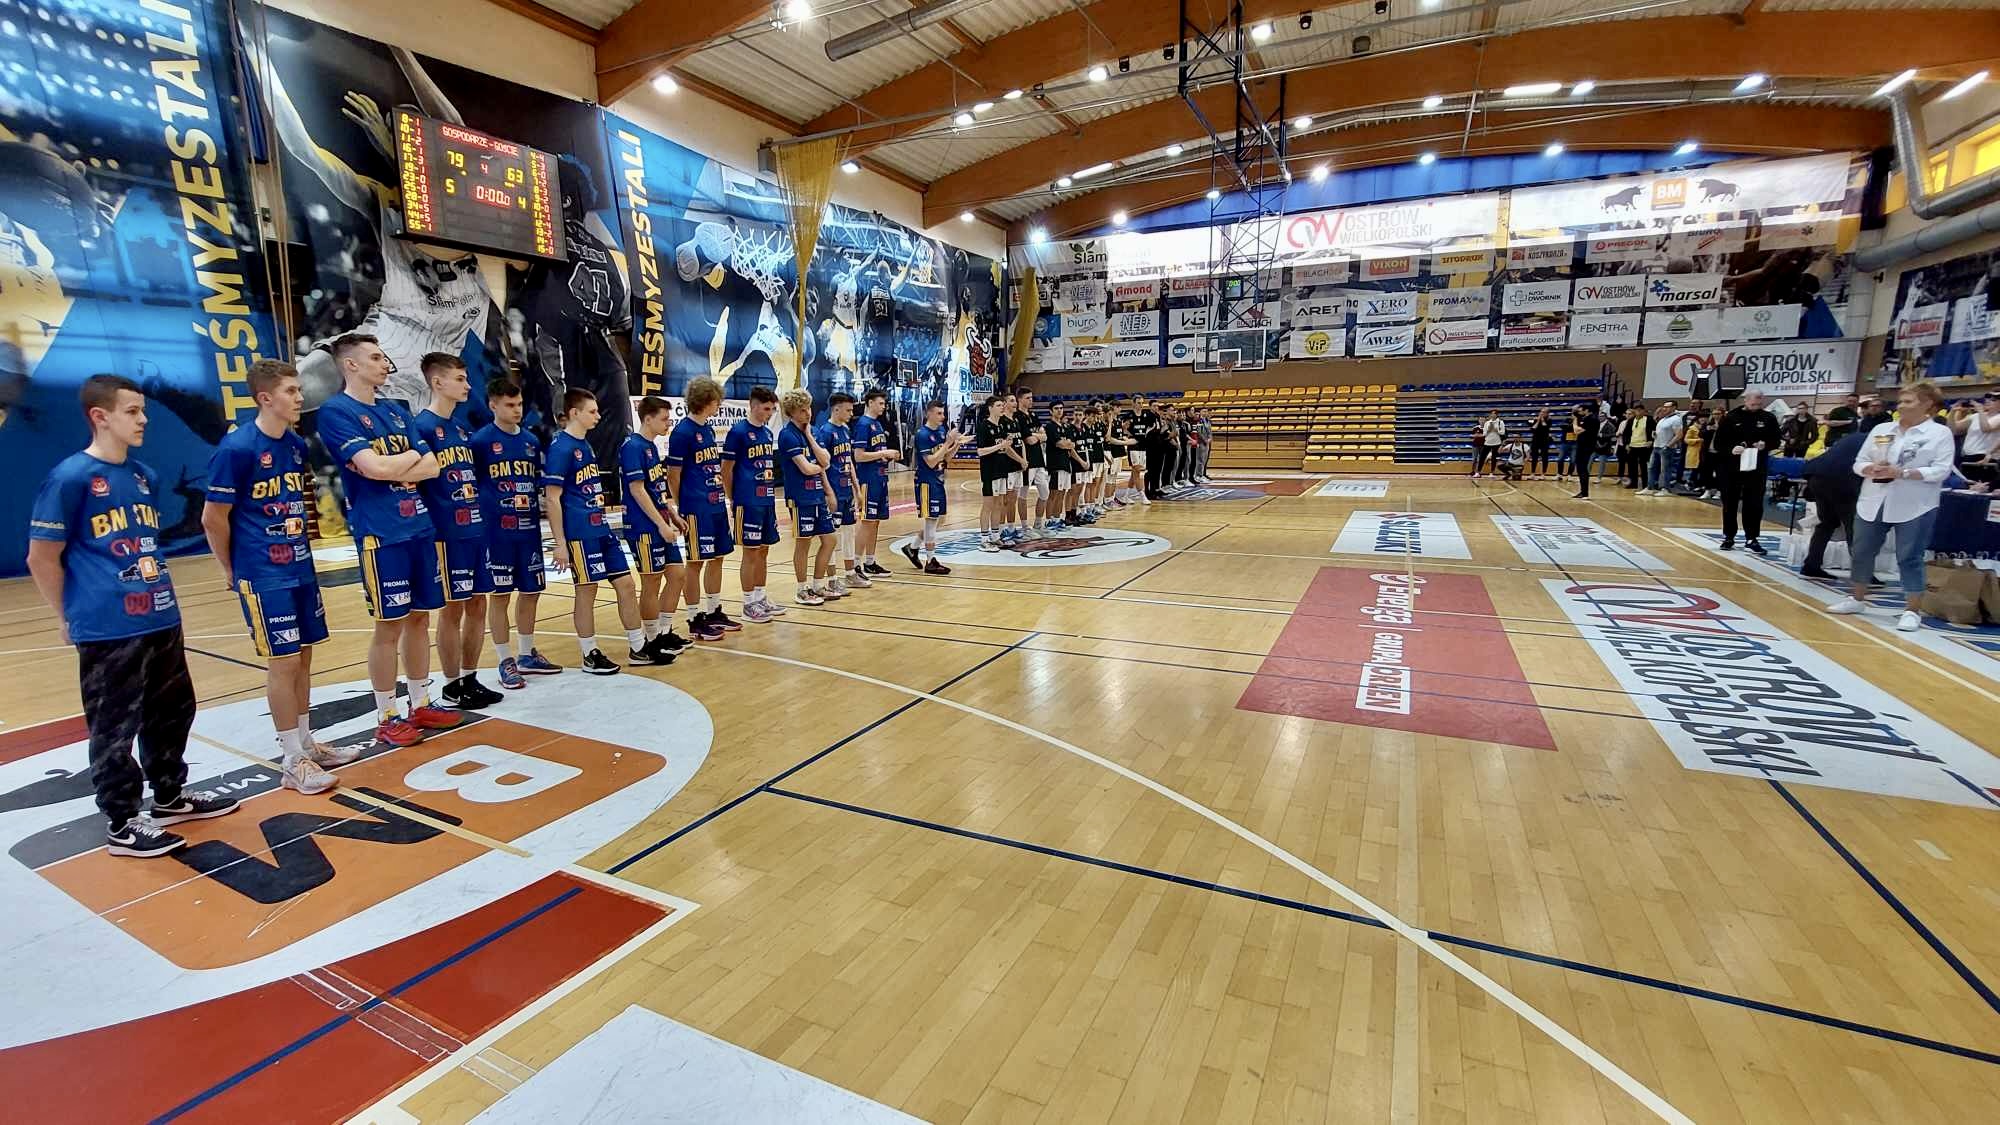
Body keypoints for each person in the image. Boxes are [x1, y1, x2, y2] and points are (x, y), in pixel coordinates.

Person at [29, 374, 240, 857]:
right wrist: (67, 616)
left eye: (143, 410)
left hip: (160, 615)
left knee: (174, 712)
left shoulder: (145, 475)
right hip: (108, 624)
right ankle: (122, 822)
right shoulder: (70, 478)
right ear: (100, 417)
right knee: (114, 725)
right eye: (132, 411)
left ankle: (169, 796)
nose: (143, 419)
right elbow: (41, 557)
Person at [202, 360, 352, 796]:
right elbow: (213, 518)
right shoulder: (236, 449)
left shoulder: (294, 444)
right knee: (283, 661)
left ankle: (306, 743)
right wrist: (230, 568)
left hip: (299, 566)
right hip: (263, 572)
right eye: (290, 391)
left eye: (299, 389)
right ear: (265, 398)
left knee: (303, 656)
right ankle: (291, 760)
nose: (300, 397)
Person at [314, 333, 462, 746]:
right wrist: (403, 461)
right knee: (389, 625)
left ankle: (421, 702)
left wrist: (391, 464)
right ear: (351, 365)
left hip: (419, 526)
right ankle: (387, 714)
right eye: (376, 357)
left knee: (420, 619)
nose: (385, 364)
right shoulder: (336, 411)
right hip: (381, 532)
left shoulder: (396, 410)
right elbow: (373, 468)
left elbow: (432, 466)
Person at [412, 354, 503, 710]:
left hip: (474, 529)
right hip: (445, 534)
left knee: (478, 604)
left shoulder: (461, 429)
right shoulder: (421, 426)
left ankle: (470, 677)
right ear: (438, 382)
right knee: (452, 608)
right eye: (460, 379)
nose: (467, 385)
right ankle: (451, 684)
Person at [1829, 382, 1955, 631]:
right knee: (1862, 550)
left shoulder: (1939, 433)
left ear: (1927, 404)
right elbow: (1859, 462)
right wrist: (1870, 468)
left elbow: (1941, 470)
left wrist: (1904, 473)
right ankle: (1857, 598)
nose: (1901, 406)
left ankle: (1912, 610)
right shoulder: (1882, 429)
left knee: (1909, 556)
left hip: (1916, 505)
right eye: (1900, 402)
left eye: (1908, 401)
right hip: (1874, 500)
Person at [544, 389, 654, 672]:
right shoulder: (561, 448)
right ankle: (589, 653)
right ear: (574, 413)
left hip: (601, 527)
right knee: (586, 589)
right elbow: (552, 498)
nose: (598, 416)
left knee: (626, 584)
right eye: (592, 411)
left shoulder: (585, 445)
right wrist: (560, 543)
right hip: (580, 533)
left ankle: (638, 647)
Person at [472, 378, 562, 687]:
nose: (517, 410)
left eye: (520, 404)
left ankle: (526, 653)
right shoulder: (481, 441)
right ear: (493, 405)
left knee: (531, 591)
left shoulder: (531, 441)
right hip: (496, 532)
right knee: (500, 596)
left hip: (528, 530)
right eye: (510, 405)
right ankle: (504, 659)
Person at [666, 376, 739, 641]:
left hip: (716, 503)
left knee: (718, 557)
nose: (719, 405)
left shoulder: (707, 429)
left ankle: (713, 610)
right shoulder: (682, 432)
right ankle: (694, 618)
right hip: (696, 507)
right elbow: (673, 474)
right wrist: (681, 506)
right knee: (696, 562)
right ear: (707, 401)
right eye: (717, 401)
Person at [621, 397, 690, 661]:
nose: (668, 423)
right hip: (643, 527)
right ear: (647, 419)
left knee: (677, 575)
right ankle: (651, 639)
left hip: (661, 522)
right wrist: (661, 525)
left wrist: (672, 515)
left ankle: (664, 631)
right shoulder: (632, 447)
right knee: (651, 580)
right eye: (663, 418)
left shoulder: (650, 446)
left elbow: (656, 490)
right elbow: (637, 490)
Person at [723, 385, 786, 623]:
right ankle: (748, 603)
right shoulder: (738, 432)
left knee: (764, 550)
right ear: (753, 406)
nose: (770, 413)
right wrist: (733, 498)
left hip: (766, 500)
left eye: (772, 409)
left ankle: (760, 597)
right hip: (747, 501)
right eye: (766, 409)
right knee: (750, 552)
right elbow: (726, 470)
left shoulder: (767, 434)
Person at [779, 388, 838, 603]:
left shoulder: (813, 432)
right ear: (792, 413)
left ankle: (818, 585)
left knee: (830, 539)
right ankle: (801, 589)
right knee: (803, 543)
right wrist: (819, 465)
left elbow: (825, 460)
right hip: (799, 497)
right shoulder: (787, 435)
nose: (808, 413)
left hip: (817, 495)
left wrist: (810, 437)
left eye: (809, 409)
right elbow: (806, 468)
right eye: (802, 410)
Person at [1713, 390, 1782, 554]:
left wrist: (1765, 445)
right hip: (1732, 467)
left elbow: (1776, 440)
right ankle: (1729, 536)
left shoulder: (1768, 418)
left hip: (1756, 467)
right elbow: (1718, 444)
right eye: (1753, 404)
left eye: (1759, 404)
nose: (1756, 406)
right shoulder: (1731, 417)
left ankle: (1752, 538)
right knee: (1730, 503)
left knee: (1754, 503)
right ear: (1745, 400)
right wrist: (1731, 449)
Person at [900, 399, 963, 573]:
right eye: (939, 413)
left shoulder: (941, 431)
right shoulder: (922, 435)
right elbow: (931, 461)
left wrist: (957, 445)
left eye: (943, 413)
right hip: (926, 482)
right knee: (931, 520)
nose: (942, 417)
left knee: (940, 519)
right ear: (929, 414)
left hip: (938, 480)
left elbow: (945, 458)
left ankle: (913, 547)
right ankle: (930, 560)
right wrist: (948, 443)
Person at [1798, 425, 1868, 579]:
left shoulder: (1852, 437)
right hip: (1842, 480)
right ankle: (1863, 573)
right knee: (1853, 527)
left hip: (1816, 474)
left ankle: (1811, 565)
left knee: (1827, 523)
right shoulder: (1879, 442)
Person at [816, 392, 865, 592]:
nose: (851, 414)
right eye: (848, 410)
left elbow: (848, 461)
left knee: (848, 532)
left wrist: (857, 489)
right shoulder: (825, 432)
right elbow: (821, 465)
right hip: (833, 491)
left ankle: (850, 573)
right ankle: (832, 579)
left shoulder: (845, 430)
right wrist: (828, 492)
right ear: (836, 409)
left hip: (846, 491)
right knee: (832, 536)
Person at [851, 387, 900, 579]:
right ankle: (855, 564)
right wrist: (883, 453)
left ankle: (870, 562)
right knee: (867, 521)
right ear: (870, 403)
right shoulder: (863, 424)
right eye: (880, 403)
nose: (883, 406)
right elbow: (859, 456)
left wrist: (887, 456)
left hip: (880, 478)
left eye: (884, 403)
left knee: (875, 522)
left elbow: (876, 453)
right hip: (868, 480)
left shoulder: (877, 424)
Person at [977, 393, 1023, 551]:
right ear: (990, 408)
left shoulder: (1001, 426)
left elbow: (1007, 448)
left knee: (999, 504)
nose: (1002, 407)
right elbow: (980, 451)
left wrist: (1019, 459)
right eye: (998, 405)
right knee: (988, 505)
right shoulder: (984, 426)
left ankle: (996, 536)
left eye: (1002, 405)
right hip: (990, 471)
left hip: (1003, 470)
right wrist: (1000, 446)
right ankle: (984, 539)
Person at [1949, 392, 2000, 485]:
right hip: (1967, 457)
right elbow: (1954, 429)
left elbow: (1986, 428)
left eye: (1993, 400)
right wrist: (1953, 412)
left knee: (1982, 488)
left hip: (1985, 458)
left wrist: (1980, 411)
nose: (1988, 401)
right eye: (1987, 398)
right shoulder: (1975, 416)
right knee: (1966, 487)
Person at [1642, 402, 1684, 496]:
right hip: (1656, 446)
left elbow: (1679, 435)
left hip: (1666, 448)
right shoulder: (1663, 419)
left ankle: (1665, 489)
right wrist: (1654, 434)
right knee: (1652, 467)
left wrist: (1668, 445)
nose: (1664, 408)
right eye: (1664, 407)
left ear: (1673, 407)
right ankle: (1650, 487)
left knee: (1665, 469)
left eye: (1667, 407)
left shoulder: (1676, 419)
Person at [1570, 400, 1601, 499]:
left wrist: (1575, 420)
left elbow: (1576, 431)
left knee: (1582, 468)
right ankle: (1583, 491)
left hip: (1586, 446)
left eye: (1580, 411)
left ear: (1586, 410)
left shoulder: (1591, 419)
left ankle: (1585, 493)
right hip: (1582, 445)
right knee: (1580, 468)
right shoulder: (1587, 419)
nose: (1579, 412)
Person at [1622, 405, 1653, 490]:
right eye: (1636, 410)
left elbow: (1654, 431)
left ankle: (1645, 484)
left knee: (1644, 466)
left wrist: (1651, 440)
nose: (1638, 412)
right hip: (1633, 446)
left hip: (1644, 446)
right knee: (1632, 466)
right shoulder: (1631, 420)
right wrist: (1626, 444)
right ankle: (1633, 483)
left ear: (1644, 411)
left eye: (1640, 410)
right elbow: (1626, 433)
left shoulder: (1649, 419)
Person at [1682, 405, 1708, 498]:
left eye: (1705, 418)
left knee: (1702, 470)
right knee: (1694, 470)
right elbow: (1686, 440)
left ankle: (1700, 485)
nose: (1703, 420)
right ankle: (1690, 483)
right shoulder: (1692, 428)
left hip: (1704, 452)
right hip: (1695, 451)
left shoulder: (1707, 427)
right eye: (1702, 418)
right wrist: (1697, 440)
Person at [1473, 409, 1504, 478]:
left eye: (1494, 414)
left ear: (1497, 415)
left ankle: (1492, 473)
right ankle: (1478, 472)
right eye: (1492, 414)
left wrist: (1496, 430)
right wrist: (1489, 430)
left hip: (1496, 442)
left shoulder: (1500, 422)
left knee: (1493, 458)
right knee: (1482, 457)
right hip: (1487, 442)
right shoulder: (1487, 423)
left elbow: (1503, 432)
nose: (1493, 415)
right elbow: (1484, 433)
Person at [1528, 409, 1552, 480]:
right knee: (1534, 457)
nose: (1542, 413)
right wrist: (1538, 421)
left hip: (1544, 441)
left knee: (1544, 457)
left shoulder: (1549, 420)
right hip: (1535, 440)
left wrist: (1542, 420)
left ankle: (1543, 474)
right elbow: (1533, 428)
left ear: (1547, 414)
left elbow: (1545, 427)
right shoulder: (1535, 420)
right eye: (1541, 412)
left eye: (1544, 412)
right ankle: (1532, 473)